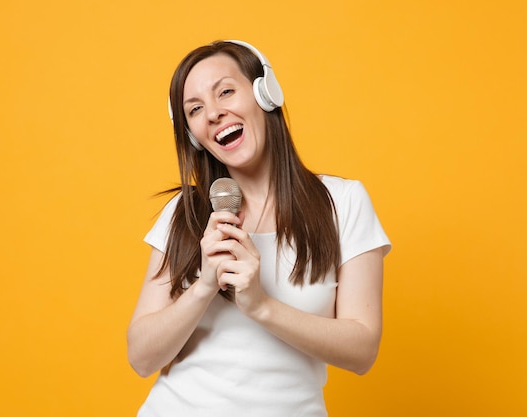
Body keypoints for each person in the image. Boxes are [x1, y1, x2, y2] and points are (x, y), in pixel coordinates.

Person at [127, 40, 391, 417]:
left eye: (226, 92)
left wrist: (261, 306)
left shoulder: (343, 202)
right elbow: (140, 357)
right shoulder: (183, 213)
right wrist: (203, 285)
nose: (214, 113)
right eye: (196, 109)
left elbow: (362, 350)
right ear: (191, 134)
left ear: (265, 93)